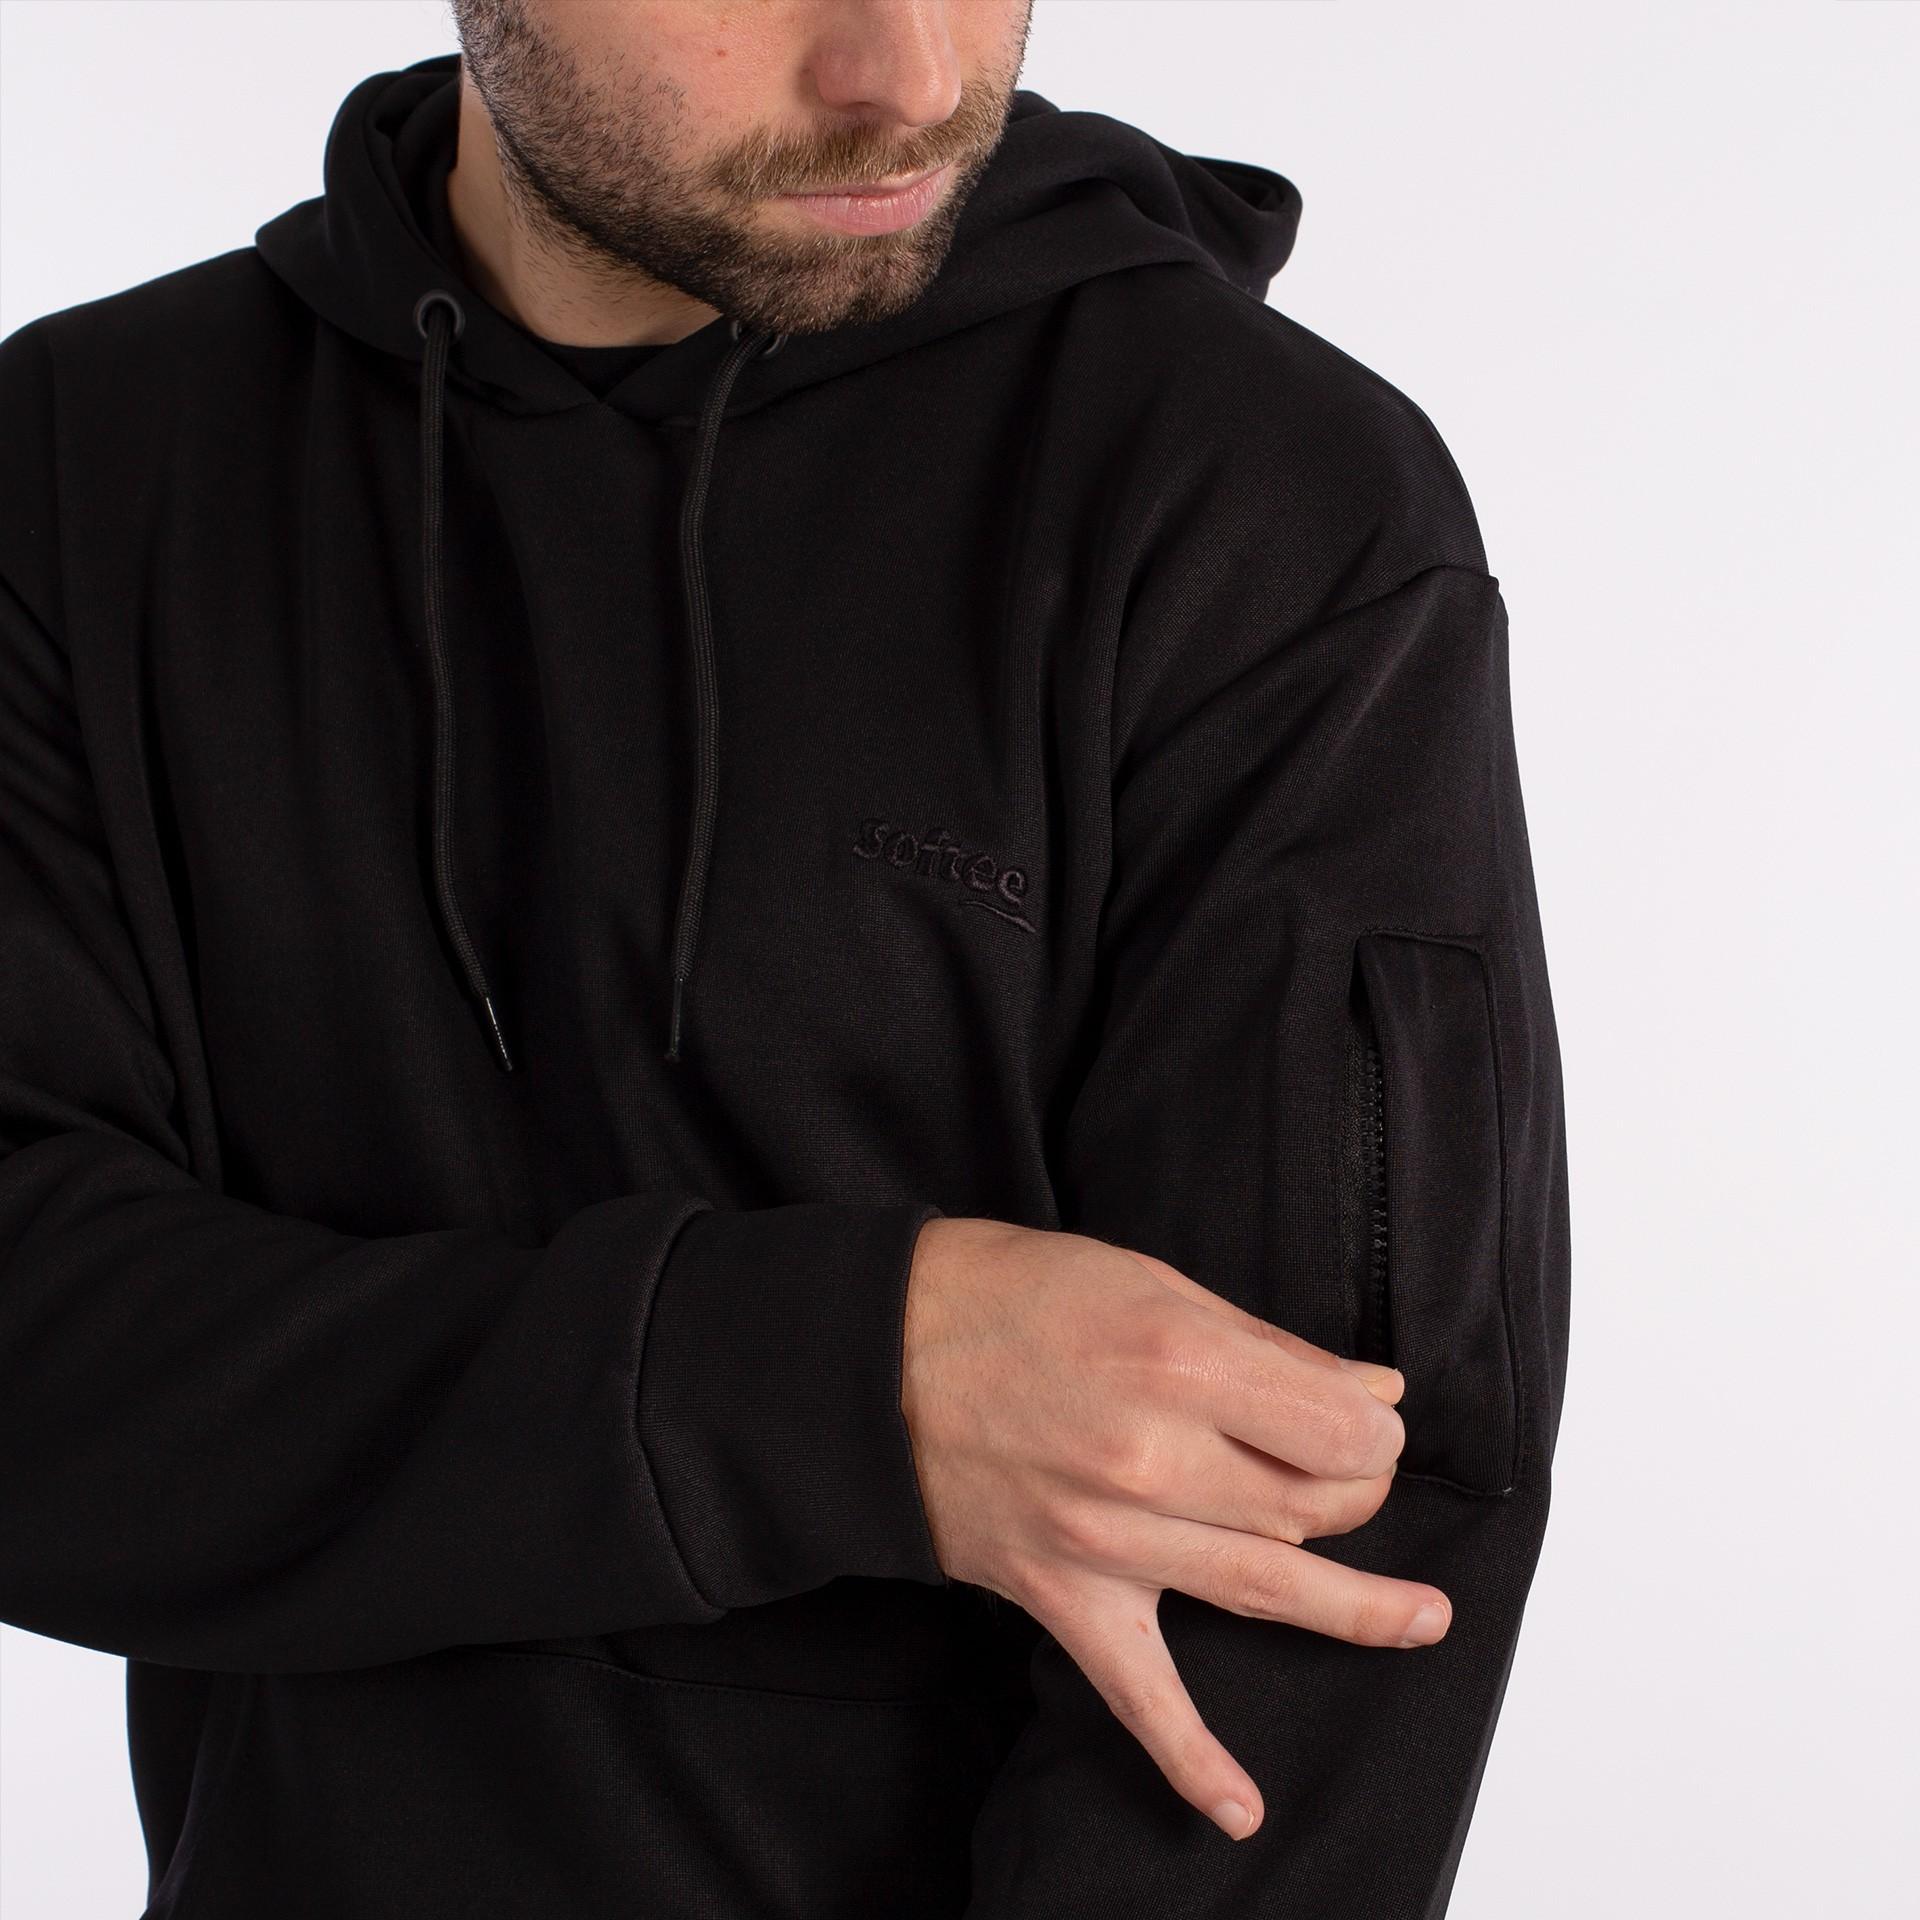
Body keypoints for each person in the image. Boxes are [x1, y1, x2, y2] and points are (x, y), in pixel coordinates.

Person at [0, 2, 1570, 1914]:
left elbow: (1337, 1544)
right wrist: (851, 1384)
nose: (906, 76)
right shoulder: (81, 461)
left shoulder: (1248, 489)